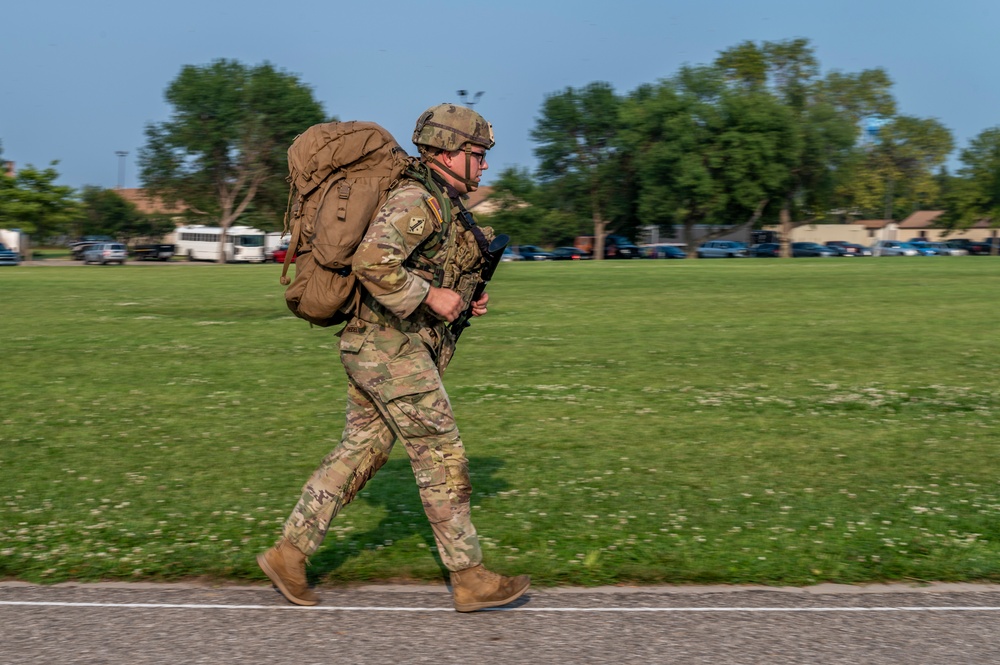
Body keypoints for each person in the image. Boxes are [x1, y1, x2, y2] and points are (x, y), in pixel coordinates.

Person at [257, 103, 530, 613]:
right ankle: (470, 578)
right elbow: (371, 261)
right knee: (441, 453)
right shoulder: (417, 200)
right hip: (388, 348)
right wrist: (430, 298)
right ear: (449, 152)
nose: (485, 165)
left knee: (360, 452)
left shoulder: (440, 202)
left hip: (378, 345)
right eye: (478, 154)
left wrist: (462, 296)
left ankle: (289, 554)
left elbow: (421, 266)